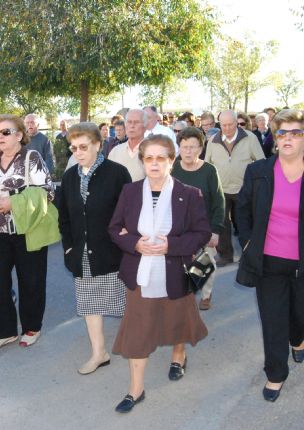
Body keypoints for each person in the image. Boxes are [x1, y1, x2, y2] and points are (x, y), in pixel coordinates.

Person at [236, 109, 304, 402]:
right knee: (273, 319)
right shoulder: (258, 171)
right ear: (275, 137)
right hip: (268, 261)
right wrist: (247, 243)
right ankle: (275, 373)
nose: (287, 138)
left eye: (295, 133)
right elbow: (242, 211)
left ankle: (299, 337)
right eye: (282, 132)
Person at [109, 135, 211, 413]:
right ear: (142, 162)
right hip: (140, 273)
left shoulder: (189, 194)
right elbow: (114, 228)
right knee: (137, 331)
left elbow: (202, 232)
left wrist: (171, 245)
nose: (154, 164)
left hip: (176, 271)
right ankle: (136, 389)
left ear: (171, 161)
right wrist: (135, 243)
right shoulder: (130, 192)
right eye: (148, 158)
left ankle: (179, 354)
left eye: (160, 158)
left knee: (177, 319)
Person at [57, 123, 131, 375]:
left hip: (113, 252)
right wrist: (68, 248)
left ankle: (136, 347)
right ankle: (99, 353)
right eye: (73, 148)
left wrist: (127, 244)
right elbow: (64, 217)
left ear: (98, 145)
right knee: (90, 304)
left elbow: (129, 214)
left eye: (83, 147)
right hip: (82, 252)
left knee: (125, 303)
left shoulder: (117, 173)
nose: (77, 152)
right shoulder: (69, 177)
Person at [0, 115, 54, 349]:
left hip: (28, 229)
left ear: (20, 135)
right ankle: (4, 331)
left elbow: (47, 191)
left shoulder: (32, 158)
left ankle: (32, 327)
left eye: (5, 132)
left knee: (31, 280)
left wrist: (12, 202)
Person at [172, 127, 225, 310]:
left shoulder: (209, 171)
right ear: (179, 147)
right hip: (178, 228)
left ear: (201, 149)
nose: (188, 151)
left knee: (205, 262)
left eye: (193, 147)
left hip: (204, 227)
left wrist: (216, 230)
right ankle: (184, 294)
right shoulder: (172, 168)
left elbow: (219, 201)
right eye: (184, 146)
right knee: (179, 265)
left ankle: (206, 294)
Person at [205, 110, 265, 267]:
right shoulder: (213, 140)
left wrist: (256, 186)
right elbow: (207, 164)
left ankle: (249, 254)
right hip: (221, 189)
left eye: (230, 124)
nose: (227, 128)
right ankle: (225, 255)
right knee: (221, 224)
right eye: (223, 125)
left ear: (236, 123)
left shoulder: (249, 138)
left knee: (244, 223)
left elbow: (261, 162)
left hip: (243, 189)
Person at [108, 109, 148, 181]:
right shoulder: (115, 152)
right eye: (129, 122)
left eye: (136, 122)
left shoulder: (153, 151)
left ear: (145, 126)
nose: (132, 126)